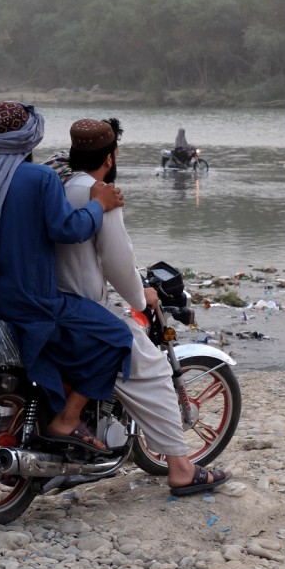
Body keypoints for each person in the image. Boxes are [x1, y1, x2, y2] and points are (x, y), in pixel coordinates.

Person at [0, 102, 133, 453]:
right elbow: (68, 229)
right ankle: (68, 418)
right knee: (117, 336)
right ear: (28, 138)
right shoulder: (40, 178)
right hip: (34, 301)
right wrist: (98, 203)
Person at [53, 117, 229, 495]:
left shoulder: (55, 184)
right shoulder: (102, 194)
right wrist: (140, 296)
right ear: (111, 156)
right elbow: (118, 260)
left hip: (46, 301)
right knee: (152, 370)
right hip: (83, 308)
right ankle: (182, 468)